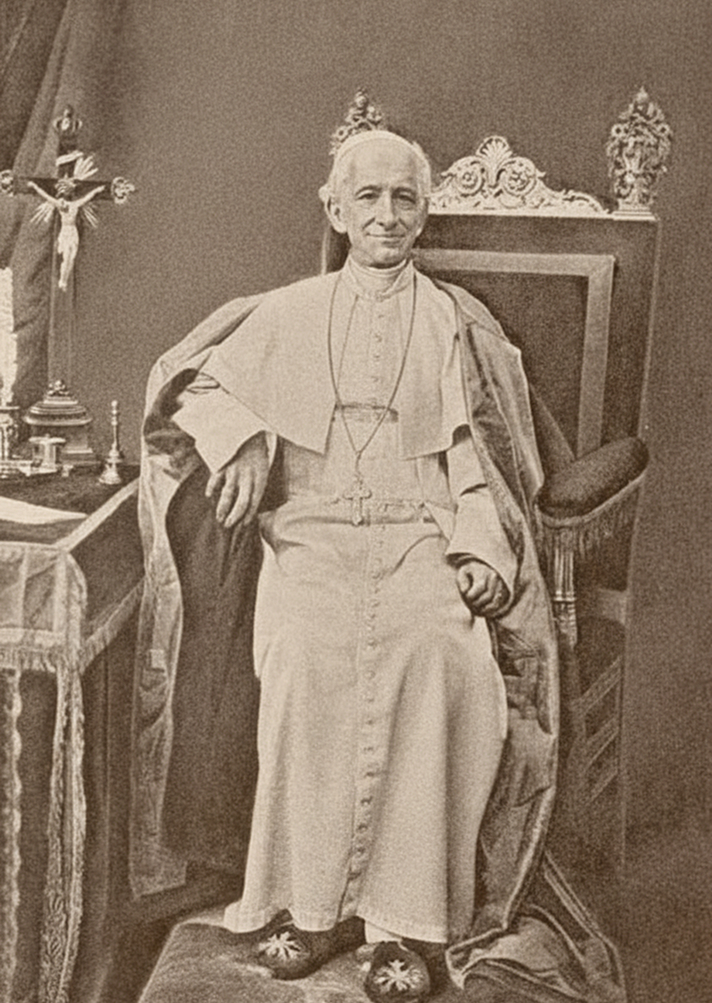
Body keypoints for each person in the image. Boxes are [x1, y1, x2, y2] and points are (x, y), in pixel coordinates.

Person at [133, 94, 561, 1002]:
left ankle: (406, 924)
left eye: (404, 199)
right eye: (367, 199)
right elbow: (190, 389)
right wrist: (245, 433)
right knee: (303, 657)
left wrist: (482, 547)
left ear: (424, 209)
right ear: (333, 208)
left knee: (442, 654)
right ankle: (310, 906)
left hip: (419, 535)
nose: (386, 218)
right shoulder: (288, 311)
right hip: (314, 537)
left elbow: (471, 450)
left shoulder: (453, 320)